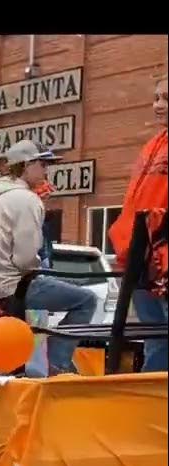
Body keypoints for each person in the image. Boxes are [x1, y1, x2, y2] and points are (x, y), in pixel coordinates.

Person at [0, 139, 96, 375]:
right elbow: (24, 260)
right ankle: (58, 365)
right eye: (43, 164)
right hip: (10, 287)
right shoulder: (26, 199)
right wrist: (38, 266)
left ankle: (37, 365)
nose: (46, 171)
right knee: (86, 300)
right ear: (27, 164)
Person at [108, 75, 167, 372]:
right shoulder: (153, 146)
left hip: (162, 260)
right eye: (156, 97)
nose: (158, 105)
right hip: (140, 258)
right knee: (155, 339)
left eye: (166, 98)